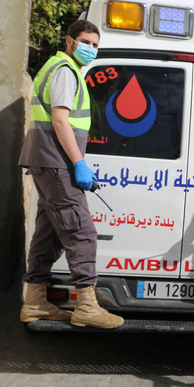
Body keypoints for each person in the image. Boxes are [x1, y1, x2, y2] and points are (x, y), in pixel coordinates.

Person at [19, 20, 124, 329]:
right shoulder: (65, 70)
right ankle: (87, 306)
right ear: (69, 41)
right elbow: (61, 121)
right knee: (81, 230)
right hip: (56, 161)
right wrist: (78, 163)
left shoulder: (59, 67)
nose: (91, 48)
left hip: (49, 161)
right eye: (85, 42)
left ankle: (35, 301)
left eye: (95, 44)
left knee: (48, 231)